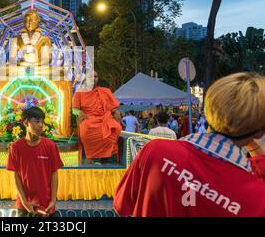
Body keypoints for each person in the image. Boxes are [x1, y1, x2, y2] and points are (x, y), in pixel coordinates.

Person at [113, 72, 265, 216]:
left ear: (208, 109)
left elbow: (121, 205)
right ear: (259, 132)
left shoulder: (155, 151)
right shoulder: (258, 198)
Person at [7, 106, 63, 217]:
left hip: (46, 205)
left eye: (42, 122)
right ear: (26, 123)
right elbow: (16, 176)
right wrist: (24, 202)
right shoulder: (15, 147)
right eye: (37, 121)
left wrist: (53, 200)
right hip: (24, 205)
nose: (41, 125)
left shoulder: (50, 146)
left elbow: (54, 174)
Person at [72, 71, 122, 164]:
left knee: (116, 127)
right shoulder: (79, 92)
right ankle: (89, 157)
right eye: (91, 76)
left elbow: (112, 108)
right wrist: (80, 112)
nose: (94, 78)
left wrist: (115, 111)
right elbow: (74, 109)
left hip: (104, 118)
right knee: (85, 129)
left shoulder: (105, 91)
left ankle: (105, 157)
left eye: (96, 76)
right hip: (88, 118)